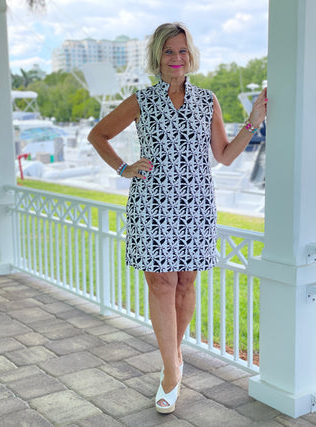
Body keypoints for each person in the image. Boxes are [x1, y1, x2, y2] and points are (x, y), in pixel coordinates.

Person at [88, 22, 267, 414]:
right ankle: (171, 373)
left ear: (191, 56)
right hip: (152, 203)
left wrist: (253, 121)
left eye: (182, 51)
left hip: (194, 203)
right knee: (161, 284)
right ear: (157, 57)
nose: (177, 58)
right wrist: (124, 168)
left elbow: (223, 154)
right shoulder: (142, 100)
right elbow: (98, 135)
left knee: (186, 283)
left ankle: (174, 359)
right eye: (169, 51)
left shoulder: (208, 100)